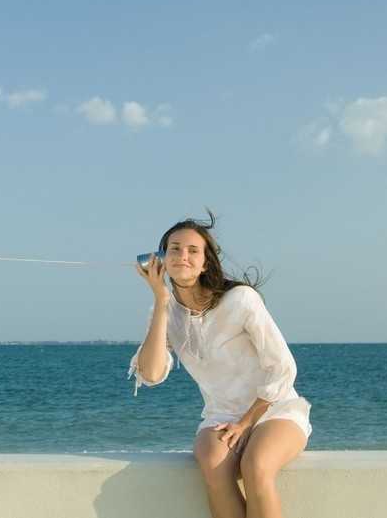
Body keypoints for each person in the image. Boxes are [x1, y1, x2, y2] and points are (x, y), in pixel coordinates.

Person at [130, 211, 311, 518]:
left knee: (256, 466)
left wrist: (245, 423)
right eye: (174, 249)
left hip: (273, 408)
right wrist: (161, 301)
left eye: (192, 250)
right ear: (161, 258)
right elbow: (150, 373)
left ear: (205, 263)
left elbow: (283, 367)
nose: (182, 256)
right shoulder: (165, 310)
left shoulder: (241, 299)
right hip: (221, 416)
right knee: (213, 466)